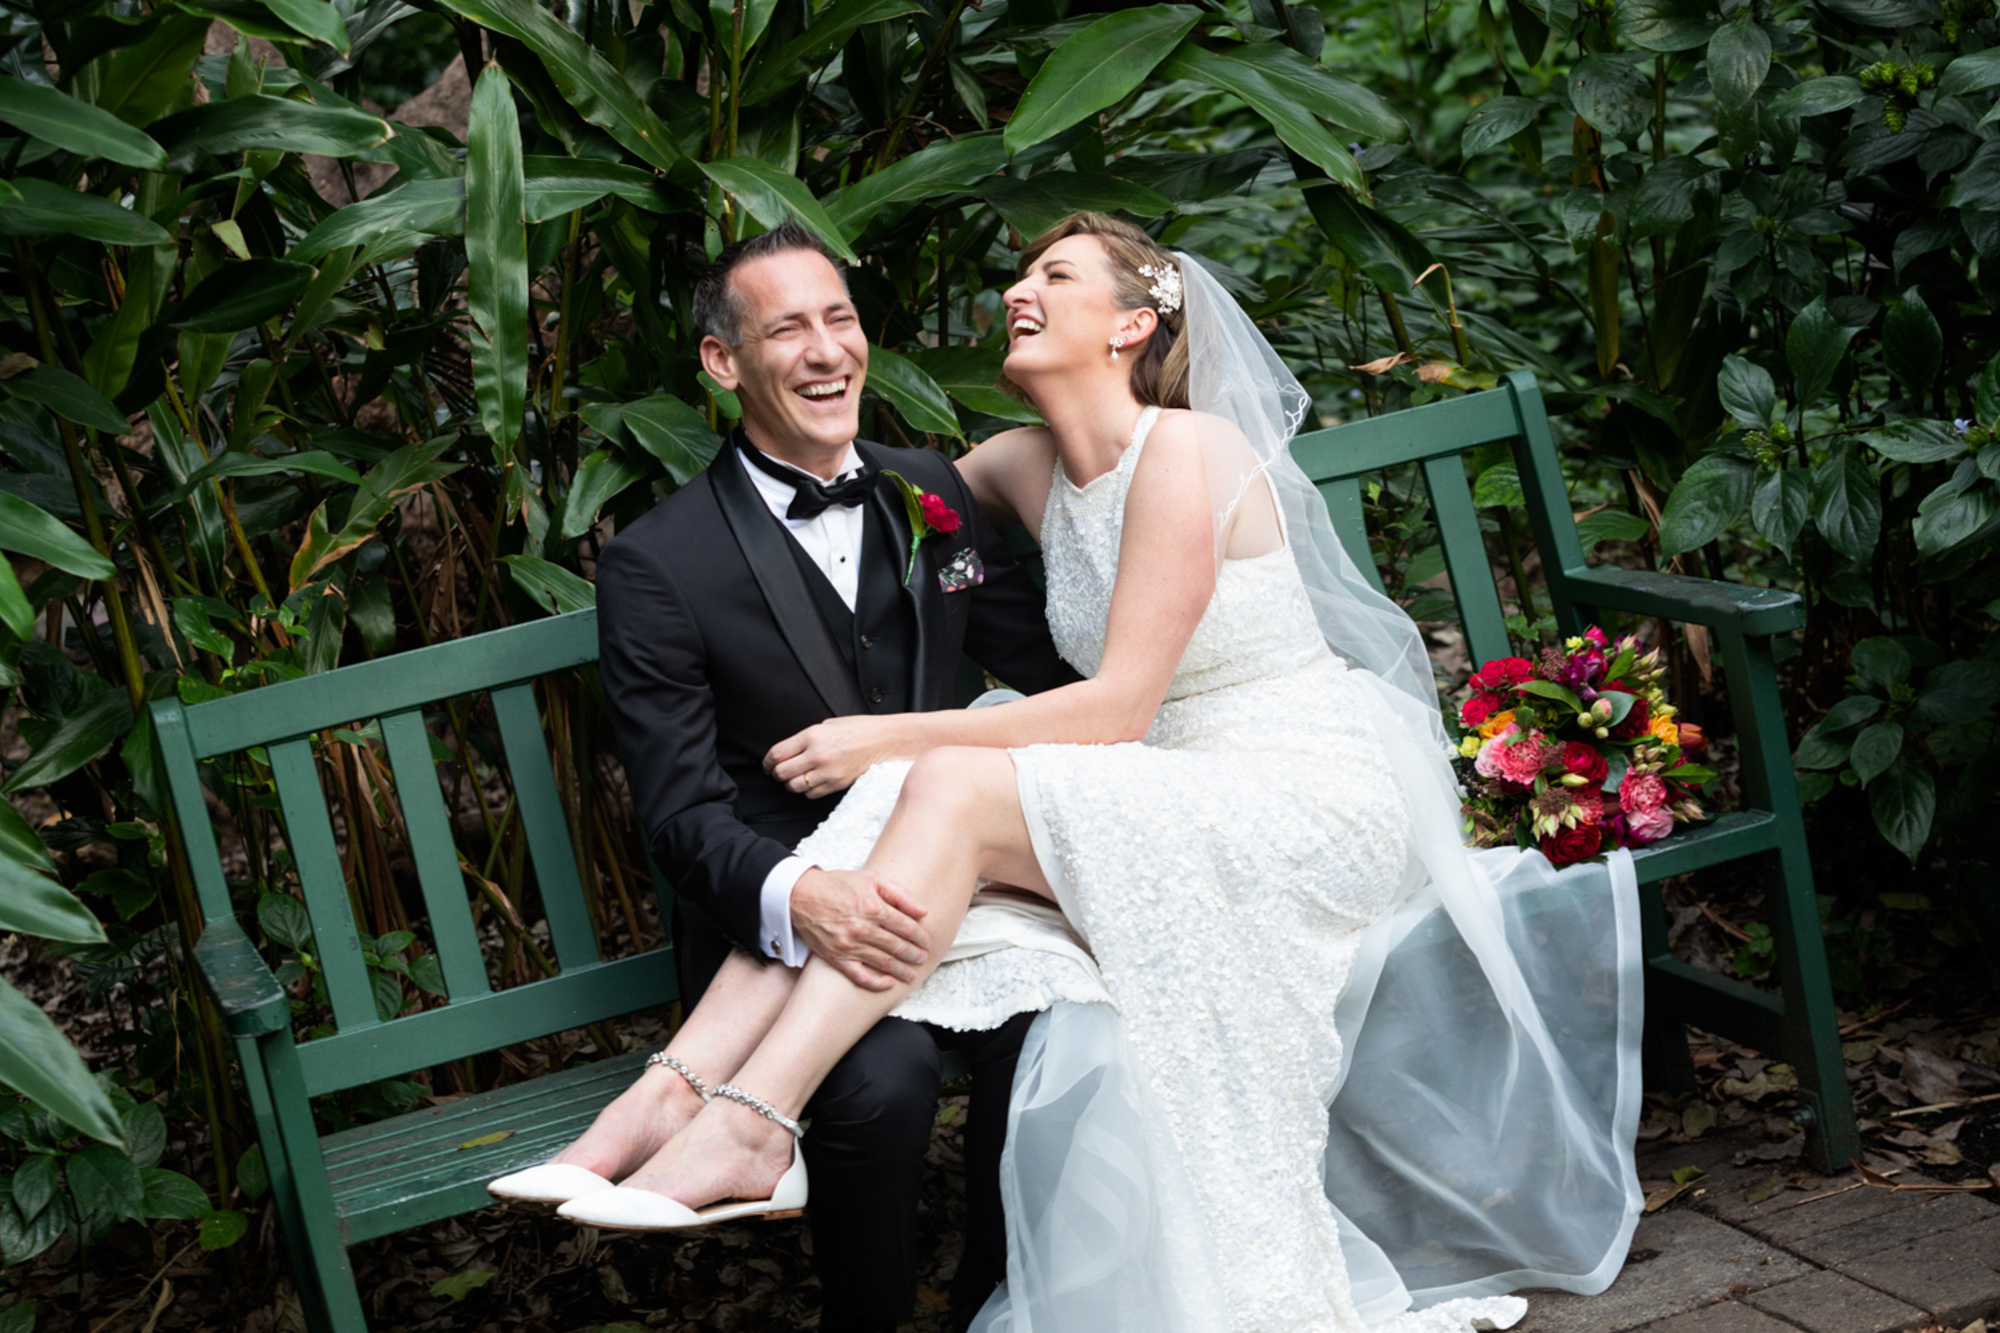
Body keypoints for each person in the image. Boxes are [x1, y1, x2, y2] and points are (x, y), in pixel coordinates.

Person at [543, 214, 1645, 1332]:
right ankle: (680, 1100)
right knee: (934, 790)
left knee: (937, 771)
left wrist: (884, 736)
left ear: (1131, 323)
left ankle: (744, 1118)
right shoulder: (990, 474)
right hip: (1147, 789)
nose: (1016, 289)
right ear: (724, 361)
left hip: (1285, 786)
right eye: (1018, 269)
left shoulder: (1189, 447)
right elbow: (893, 508)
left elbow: (1116, 705)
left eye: (1052, 275)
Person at [488, 221, 1081, 1333]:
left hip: (964, 899)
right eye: (787, 328)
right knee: (883, 1081)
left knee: (1058, 1028)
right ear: (724, 364)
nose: (824, 351)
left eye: (840, 318)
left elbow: (1052, 680)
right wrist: (802, 895)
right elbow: (676, 815)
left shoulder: (927, 491)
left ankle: (994, 1300)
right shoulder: (656, 562)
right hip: (773, 931)